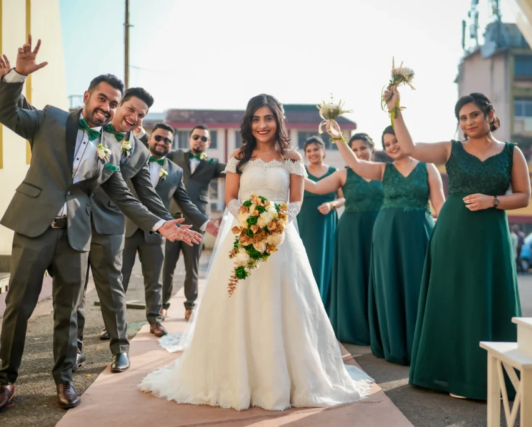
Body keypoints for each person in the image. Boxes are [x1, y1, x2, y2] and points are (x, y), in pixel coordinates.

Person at [0, 39, 198, 412]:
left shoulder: (112, 149)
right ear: (87, 96)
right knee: (19, 306)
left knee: (69, 310)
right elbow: (5, 111)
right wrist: (17, 76)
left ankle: (65, 379)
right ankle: (6, 380)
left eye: (113, 103)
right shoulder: (51, 119)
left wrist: (160, 224)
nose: (107, 107)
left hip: (76, 235)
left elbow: (125, 195)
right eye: (103, 99)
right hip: (34, 227)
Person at [139, 94, 373, 410]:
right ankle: (237, 378)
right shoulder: (239, 156)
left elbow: (296, 200)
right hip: (243, 235)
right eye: (256, 119)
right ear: (249, 123)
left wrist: (277, 222)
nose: (262, 125)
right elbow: (231, 198)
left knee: (284, 303)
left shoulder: (292, 158)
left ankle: (287, 380)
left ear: (278, 120)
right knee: (239, 301)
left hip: (282, 240)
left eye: (268, 118)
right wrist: (250, 222)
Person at [384, 86, 530, 399]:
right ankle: (450, 375)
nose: (469, 122)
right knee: (451, 298)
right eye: (463, 118)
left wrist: (493, 201)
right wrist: (395, 109)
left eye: (474, 115)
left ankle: (487, 376)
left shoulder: (511, 152)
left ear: (490, 115)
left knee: (487, 297)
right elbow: (409, 147)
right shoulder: (450, 149)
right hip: (452, 233)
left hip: (491, 235)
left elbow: (524, 196)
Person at [74, 88, 202, 372]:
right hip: (76, 219)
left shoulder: (140, 151)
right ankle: (75, 350)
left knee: (113, 288)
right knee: (74, 290)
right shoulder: (91, 129)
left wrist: (165, 222)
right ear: (118, 106)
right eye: (130, 109)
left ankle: (120, 348)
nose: (134, 117)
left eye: (140, 114)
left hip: (112, 223)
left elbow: (147, 194)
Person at [325, 124, 445, 365]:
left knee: (419, 284)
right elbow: (355, 163)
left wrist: (448, 233)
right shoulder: (383, 170)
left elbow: (440, 206)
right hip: (387, 234)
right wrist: (338, 138)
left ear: (407, 138)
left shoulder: (428, 167)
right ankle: (395, 345)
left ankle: (421, 345)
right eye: (387, 144)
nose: (391, 147)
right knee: (390, 285)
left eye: (396, 141)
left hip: (419, 232)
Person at [121, 122, 219, 336]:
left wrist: (205, 223)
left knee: (155, 280)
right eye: (158, 137)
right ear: (150, 138)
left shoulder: (175, 171)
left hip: (158, 230)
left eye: (167, 140)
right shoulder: (133, 158)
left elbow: (185, 202)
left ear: (171, 145)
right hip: (128, 227)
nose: (162, 142)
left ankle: (155, 320)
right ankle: (113, 325)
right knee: (120, 278)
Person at [304, 134, 383, 346]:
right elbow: (315, 187)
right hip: (351, 231)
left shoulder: (384, 171)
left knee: (378, 278)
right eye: (354, 149)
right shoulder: (343, 173)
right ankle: (354, 328)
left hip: (380, 229)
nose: (359, 153)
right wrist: (290, 169)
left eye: (363, 148)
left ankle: (381, 329)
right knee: (354, 277)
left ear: (372, 147)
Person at [163, 125, 225, 321]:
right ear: (190, 139)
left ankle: (190, 305)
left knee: (192, 268)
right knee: (168, 266)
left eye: (203, 138)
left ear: (209, 143)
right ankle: (162, 305)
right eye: (196, 137)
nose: (199, 141)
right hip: (173, 219)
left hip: (197, 222)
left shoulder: (212, 164)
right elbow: (153, 154)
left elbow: (234, 170)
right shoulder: (175, 156)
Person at [297, 136, 344, 302]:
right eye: (308, 151)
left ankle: (325, 302)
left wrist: (332, 204)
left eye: (316, 149)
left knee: (326, 260)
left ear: (323, 151)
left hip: (326, 223)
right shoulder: (300, 172)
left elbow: (343, 198)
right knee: (305, 259)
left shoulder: (335, 172)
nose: (312, 153)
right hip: (305, 221)